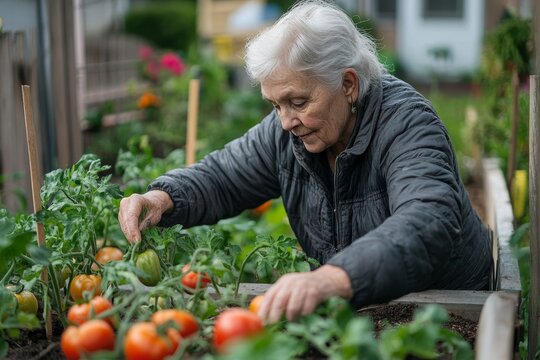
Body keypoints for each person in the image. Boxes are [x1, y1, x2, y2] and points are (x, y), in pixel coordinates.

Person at [118, 0, 492, 324]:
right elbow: (224, 176)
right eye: (275, 105)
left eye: (298, 102)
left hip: (450, 311)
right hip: (366, 308)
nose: (285, 121)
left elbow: (427, 221)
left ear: (348, 85)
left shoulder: (407, 124)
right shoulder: (289, 132)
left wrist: (333, 277)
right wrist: (163, 198)